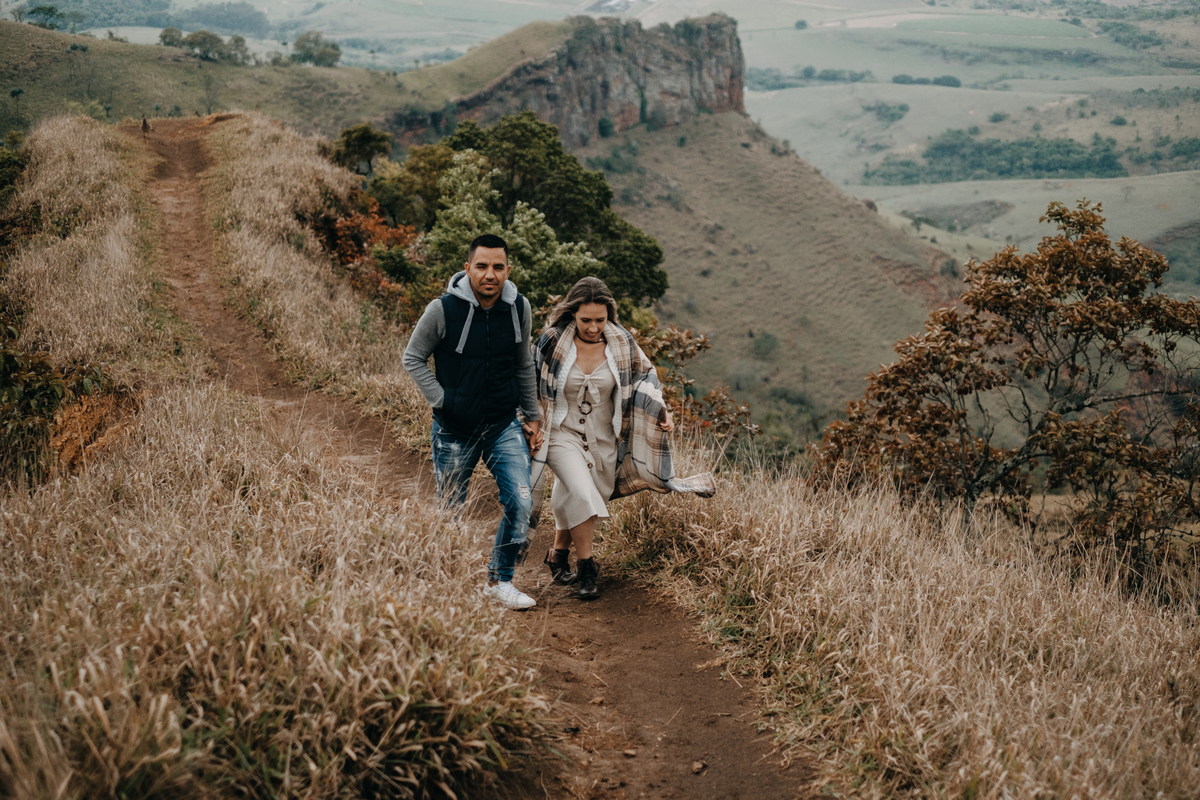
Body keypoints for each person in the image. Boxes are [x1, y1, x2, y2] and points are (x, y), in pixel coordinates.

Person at [529, 277, 715, 600]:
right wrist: (527, 423)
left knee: (580, 491)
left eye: (599, 320)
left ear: (608, 316)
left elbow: (646, 377)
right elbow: (528, 380)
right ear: (572, 313)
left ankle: (558, 552)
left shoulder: (621, 343)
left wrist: (661, 411)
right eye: (585, 320)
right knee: (582, 489)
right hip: (560, 432)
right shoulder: (551, 342)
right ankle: (587, 567)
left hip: (603, 436)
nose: (592, 327)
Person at [403, 234, 543, 610]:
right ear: (468, 269)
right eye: (481, 266)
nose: (490, 274)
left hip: (502, 424)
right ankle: (443, 584)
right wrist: (444, 400)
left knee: (521, 501)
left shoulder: (519, 309)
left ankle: (500, 581)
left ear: (508, 270)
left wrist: (532, 415)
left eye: (498, 267)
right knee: (450, 509)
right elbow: (413, 358)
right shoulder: (442, 309)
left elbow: (522, 364)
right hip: (453, 430)